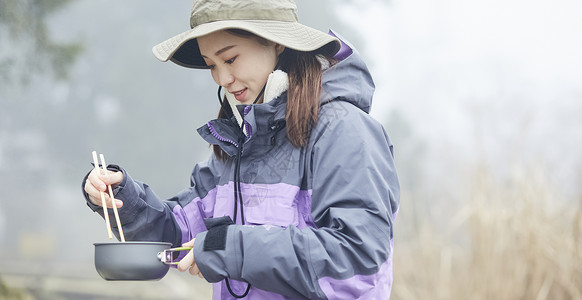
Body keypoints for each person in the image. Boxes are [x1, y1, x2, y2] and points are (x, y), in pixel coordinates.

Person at [82, 0, 400, 299]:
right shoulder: (238, 143)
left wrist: (232, 249)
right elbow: (178, 236)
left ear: (276, 42)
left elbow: (357, 265)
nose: (223, 78)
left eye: (230, 58)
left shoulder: (345, 132)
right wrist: (121, 197)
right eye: (211, 65)